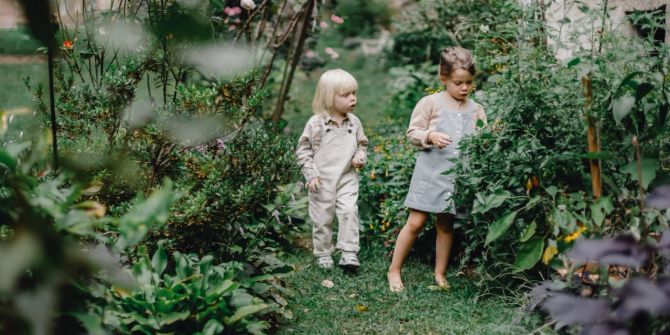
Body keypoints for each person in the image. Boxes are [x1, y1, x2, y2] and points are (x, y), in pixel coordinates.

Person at [387, 47, 487, 292]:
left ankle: (440, 273)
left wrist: (487, 139)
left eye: (469, 83)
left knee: (445, 224)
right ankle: (394, 270)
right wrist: (430, 135)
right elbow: (413, 133)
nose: (464, 88)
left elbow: (482, 139)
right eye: (458, 83)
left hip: (457, 177)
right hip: (431, 172)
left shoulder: (476, 109)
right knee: (416, 222)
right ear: (443, 79)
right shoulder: (431, 103)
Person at [296, 69, 368, 269]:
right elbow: (303, 150)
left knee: (348, 210)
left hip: (346, 176)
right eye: (346, 95)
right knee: (322, 217)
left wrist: (359, 157)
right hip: (322, 179)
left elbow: (362, 144)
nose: (353, 98)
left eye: (354, 93)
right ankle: (324, 252)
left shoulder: (354, 123)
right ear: (329, 97)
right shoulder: (317, 124)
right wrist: (310, 174)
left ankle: (349, 252)